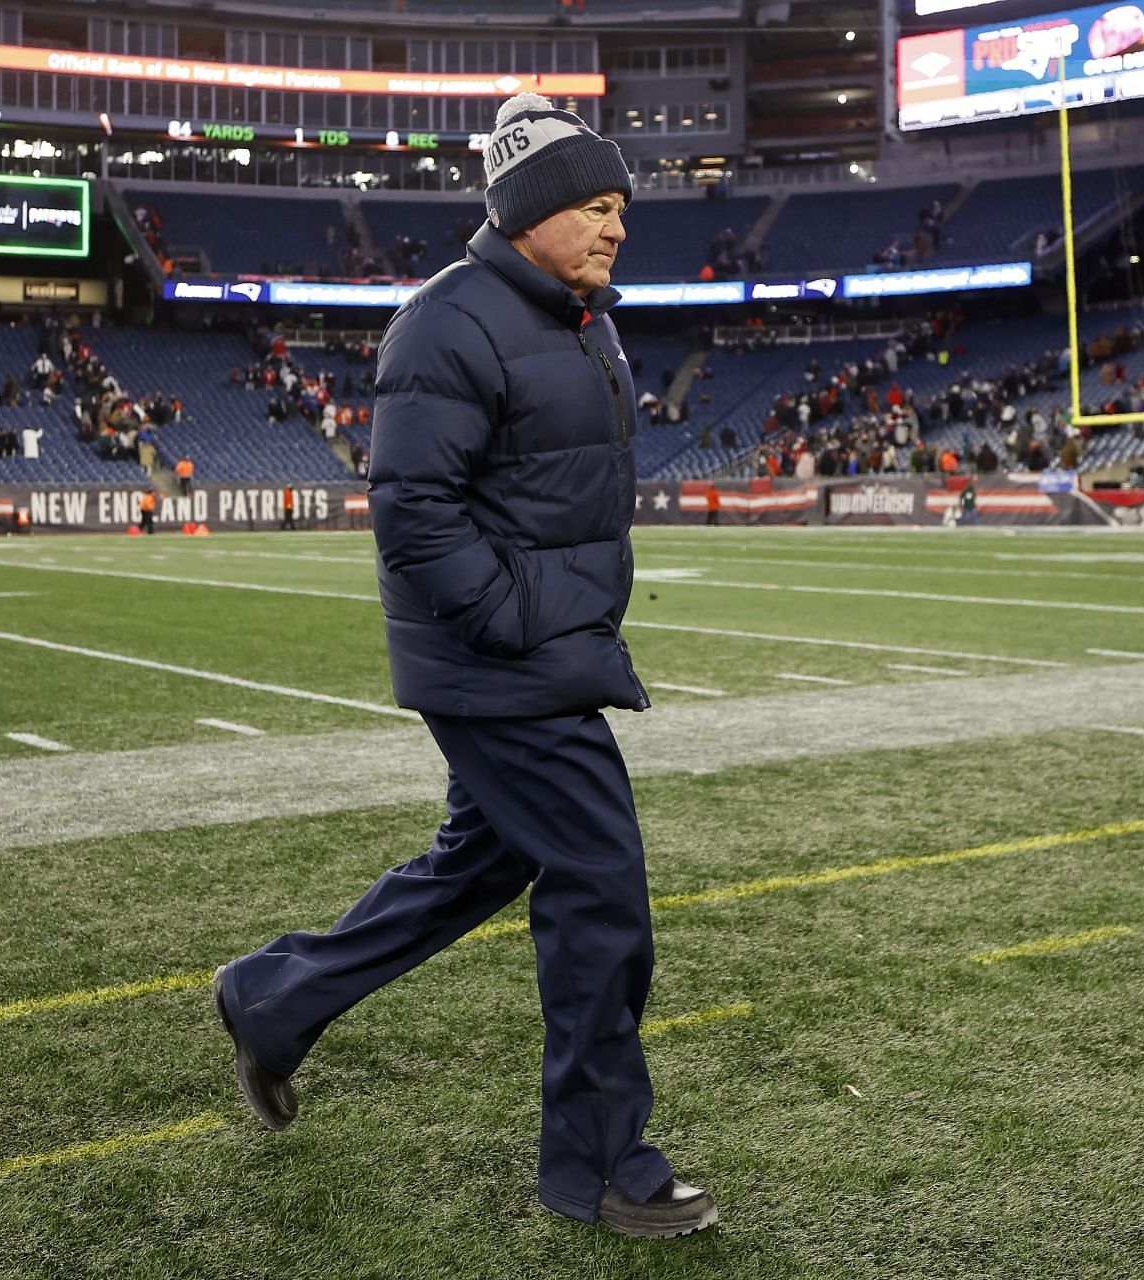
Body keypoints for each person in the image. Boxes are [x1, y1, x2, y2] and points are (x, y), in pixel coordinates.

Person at [213, 91, 715, 1241]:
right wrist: (512, 623)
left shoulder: (580, 315)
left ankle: (272, 1000)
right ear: (533, 210)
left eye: (621, 207)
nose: (617, 227)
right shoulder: (448, 322)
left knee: (478, 864)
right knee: (600, 888)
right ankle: (596, 1165)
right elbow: (414, 512)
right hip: (502, 662)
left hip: (543, 647)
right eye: (595, 205)